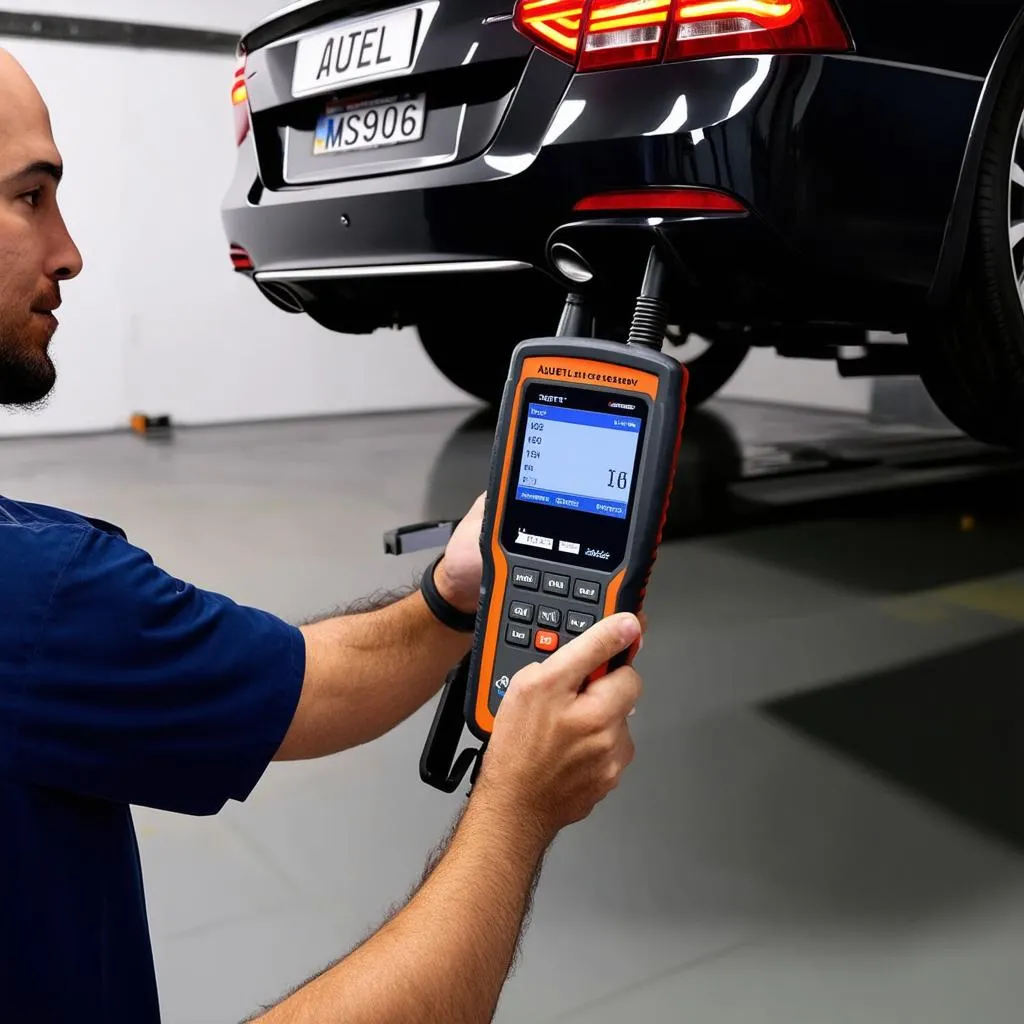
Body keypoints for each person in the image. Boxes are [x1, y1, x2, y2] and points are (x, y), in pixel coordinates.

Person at [0, 48, 644, 1023]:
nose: (70, 250)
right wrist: (517, 808)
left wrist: (451, 594)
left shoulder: (46, 603)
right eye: (30, 196)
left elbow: (304, 687)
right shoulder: (35, 595)